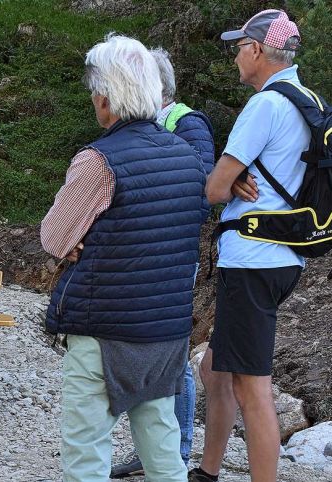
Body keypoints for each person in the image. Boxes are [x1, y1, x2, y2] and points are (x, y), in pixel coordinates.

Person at [40, 34, 206, 481]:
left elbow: (54, 237)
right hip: (165, 333)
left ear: (106, 97)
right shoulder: (190, 161)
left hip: (103, 332)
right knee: (163, 450)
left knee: (86, 454)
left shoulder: (98, 161)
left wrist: (83, 238)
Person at [192, 10, 305, 482]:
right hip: (285, 255)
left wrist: (228, 177)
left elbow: (214, 189)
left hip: (252, 258)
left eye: (240, 46)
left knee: (252, 386)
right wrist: (236, 177)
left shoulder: (265, 105)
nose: (236, 55)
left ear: (257, 50)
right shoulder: (305, 100)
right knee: (215, 368)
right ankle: (209, 470)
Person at [111, 46, 216, 478]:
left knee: (170, 352)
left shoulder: (187, 122)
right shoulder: (149, 123)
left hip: (170, 257)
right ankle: (154, 449)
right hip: (144, 256)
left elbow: (200, 193)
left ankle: (179, 450)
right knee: (146, 348)